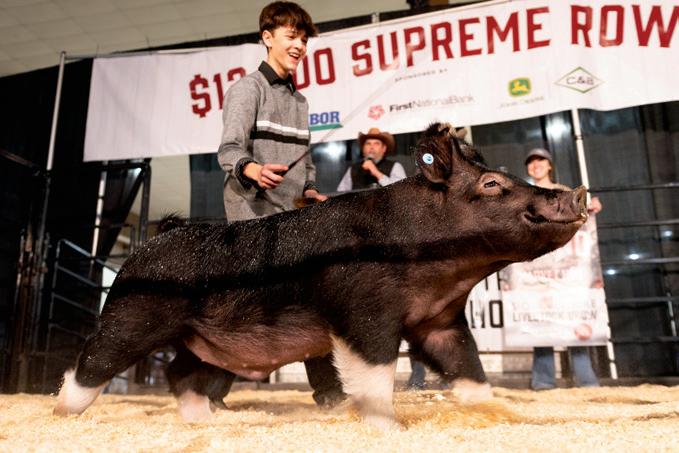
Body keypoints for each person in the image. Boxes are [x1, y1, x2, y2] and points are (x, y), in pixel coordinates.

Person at [216, 1, 342, 407]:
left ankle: (331, 395)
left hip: (292, 219)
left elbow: (306, 163)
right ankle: (208, 392)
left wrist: (310, 190)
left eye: (304, 39)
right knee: (249, 308)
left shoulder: (301, 103)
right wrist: (252, 170)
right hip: (251, 216)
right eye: (291, 36)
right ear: (267, 37)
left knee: (311, 304)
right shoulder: (247, 88)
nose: (300, 45)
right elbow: (228, 150)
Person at [524, 147, 602, 390]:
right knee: (540, 325)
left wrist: (591, 206)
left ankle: (586, 381)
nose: (536, 165)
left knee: (573, 320)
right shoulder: (526, 195)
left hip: (567, 271)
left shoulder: (565, 193)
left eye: (541, 160)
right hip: (537, 271)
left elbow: (581, 215)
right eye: (531, 162)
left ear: (549, 165)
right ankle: (543, 382)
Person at [336, 128, 406, 191]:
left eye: (376, 143)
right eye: (368, 143)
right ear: (363, 148)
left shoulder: (395, 166)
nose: (372, 147)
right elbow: (341, 193)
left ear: (384, 148)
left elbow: (401, 191)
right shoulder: (353, 169)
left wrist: (376, 173)